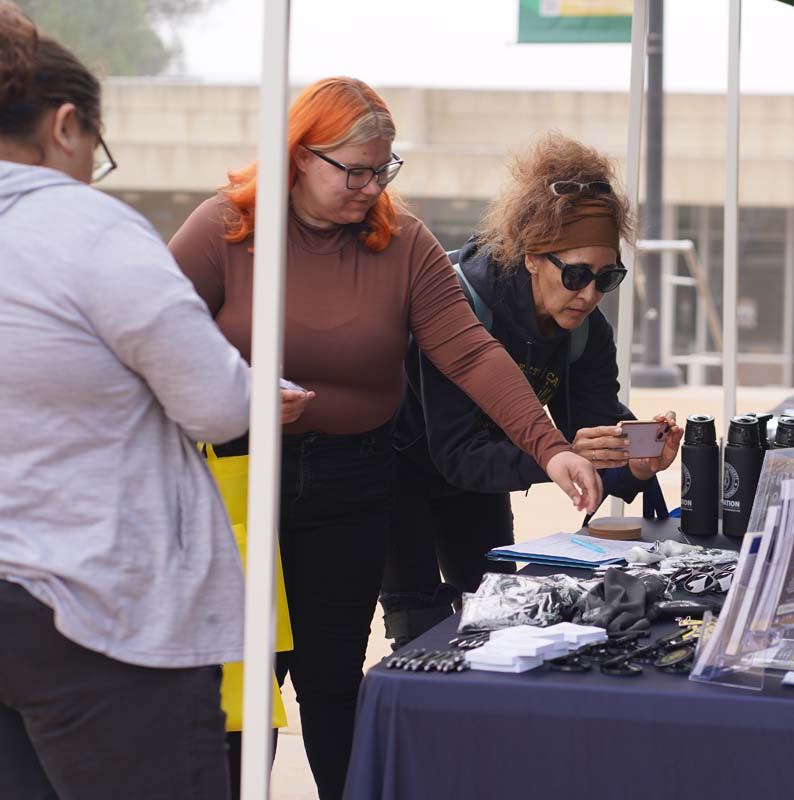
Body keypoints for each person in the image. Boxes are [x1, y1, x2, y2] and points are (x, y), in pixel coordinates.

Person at [167, 80, 601, 799]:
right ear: (300, 157)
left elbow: (469, 353)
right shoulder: (225, 228)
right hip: (238, 483)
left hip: (353, 484)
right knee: (241, 686)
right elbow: (153, 339)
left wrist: (547, 444)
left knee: (334, 679)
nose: (370, 187)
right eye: (354, 170)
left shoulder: (402, 242)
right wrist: (229, 394)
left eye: (384, 169)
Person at [0, 4, 261, 797]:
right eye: (95, 152)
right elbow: (217, 403)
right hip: (99, 608)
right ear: (68, 125)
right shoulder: (82, 226)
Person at [378, 133, 683, 644]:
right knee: (419, 631)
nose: (589, 295)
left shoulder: (588, 330)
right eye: (577, 275)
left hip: (486, 470)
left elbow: (585, 437)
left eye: (608, 278)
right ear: (533, 256)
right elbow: (457, 454)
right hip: (398, 467)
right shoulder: (458, 302)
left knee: (500, 614)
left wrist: (631, 460)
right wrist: (553, 454)